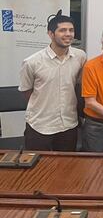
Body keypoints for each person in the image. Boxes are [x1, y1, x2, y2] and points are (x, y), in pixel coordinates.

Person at [19, 10, 86, 151]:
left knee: (66, 168)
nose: (68, 34)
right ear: (50, 34)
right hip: (40, 125)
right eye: (62, 30)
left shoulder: (80, 57)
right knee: (37, 170)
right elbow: (27, 92)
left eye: (71, 30)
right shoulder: (32, 62)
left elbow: (79, 85)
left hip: (68, 124)